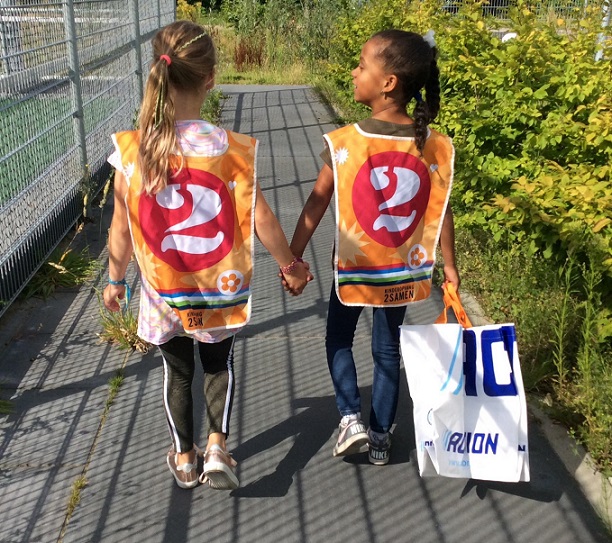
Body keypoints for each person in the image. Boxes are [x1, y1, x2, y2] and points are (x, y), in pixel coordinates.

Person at [103, 21, 311, 491]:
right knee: (218, 365)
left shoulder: (133, 150)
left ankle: (184, 457)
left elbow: (119, 227)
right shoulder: (232, 150)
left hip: (163, 290)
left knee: (177, 373)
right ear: (211, 78)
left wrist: (116, 279)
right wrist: (291, 266)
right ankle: (218, 445)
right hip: (219, 287)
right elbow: (263, 220)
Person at [289, 29, 460, 466]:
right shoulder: (432, 145)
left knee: (338, 338)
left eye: (362, 64)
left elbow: (317, 199)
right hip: (402, 270)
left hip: (355, 267)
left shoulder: (345, 141)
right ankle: (382, 435)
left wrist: (293, 256)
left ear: (388, 83)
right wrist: (452, 271)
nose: (354, 71)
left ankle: (350, 418)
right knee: (387, 350)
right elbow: (441, 211)